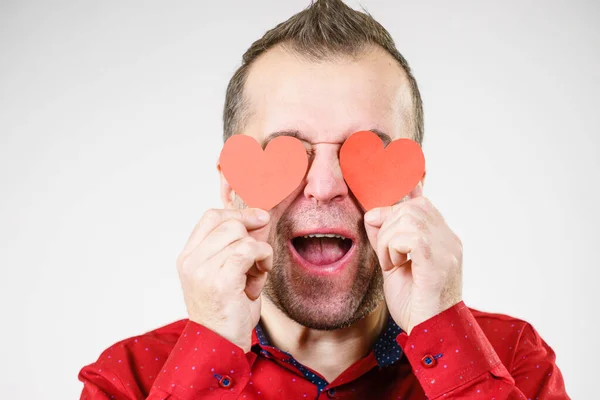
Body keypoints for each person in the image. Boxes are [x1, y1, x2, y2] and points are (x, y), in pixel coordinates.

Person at [79, 0, 569, 398]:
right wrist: (210, 353)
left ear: (412, 188)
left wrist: (442, 330)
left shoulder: (515, 363)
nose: (325, 184)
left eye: (366, 151)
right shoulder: (127, 381)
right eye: (288, 150)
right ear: (233, 189)